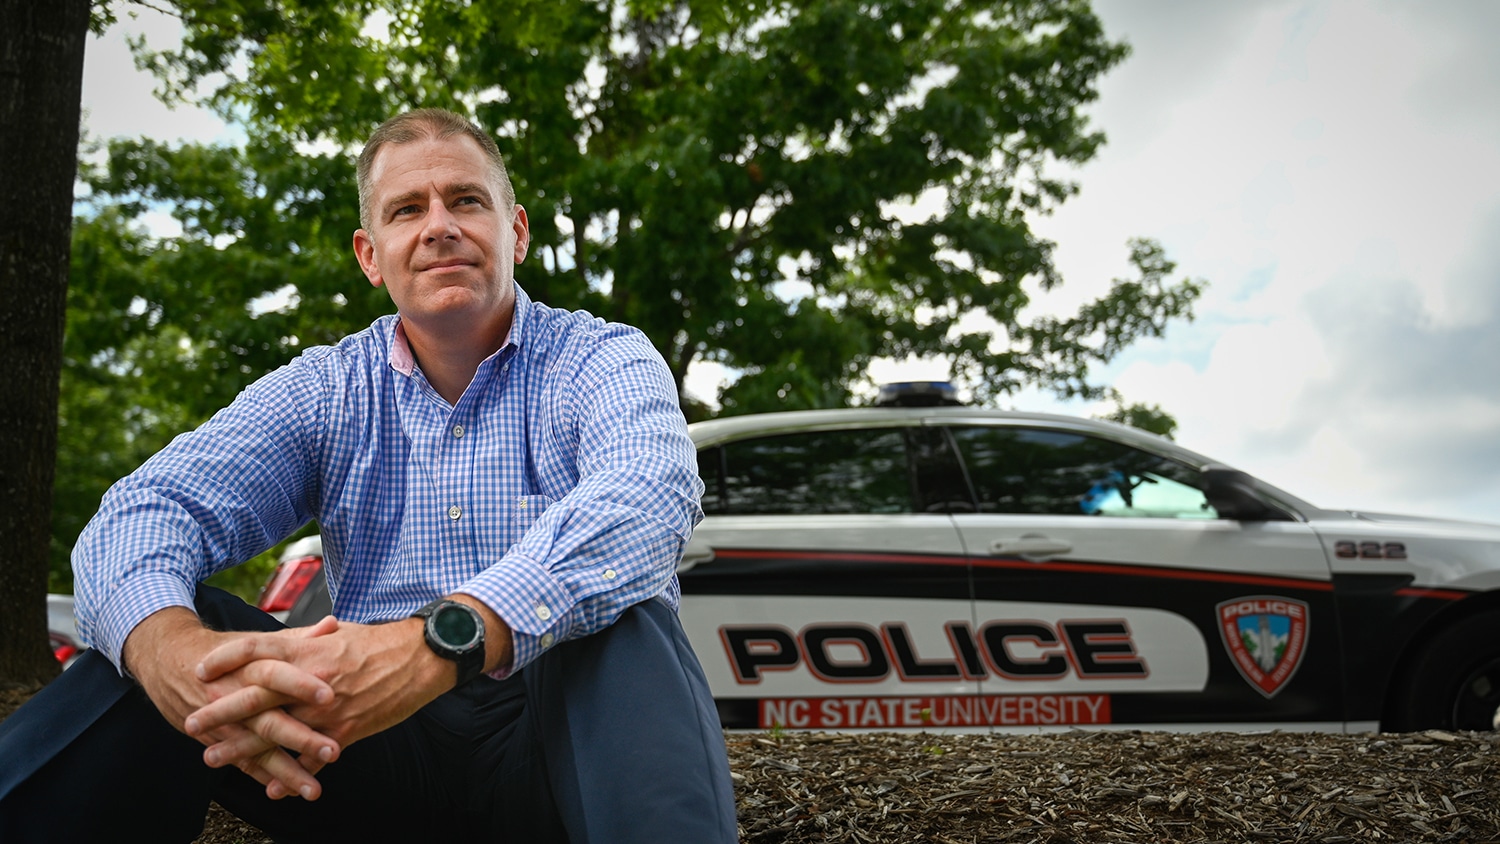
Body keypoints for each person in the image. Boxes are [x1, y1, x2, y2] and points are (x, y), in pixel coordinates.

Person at [0, 108, 737, 843]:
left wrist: (440, 643)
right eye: (407, 209)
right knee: (150, 643)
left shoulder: (602, 359)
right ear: (371, 256)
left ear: (516, 231)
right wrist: (173, 656)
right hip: (365, 754)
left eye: (467, 200)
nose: (439, 225)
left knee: (626, 616)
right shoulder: (328, 389)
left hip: (563, 751)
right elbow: (142, 511)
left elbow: (647, 496)